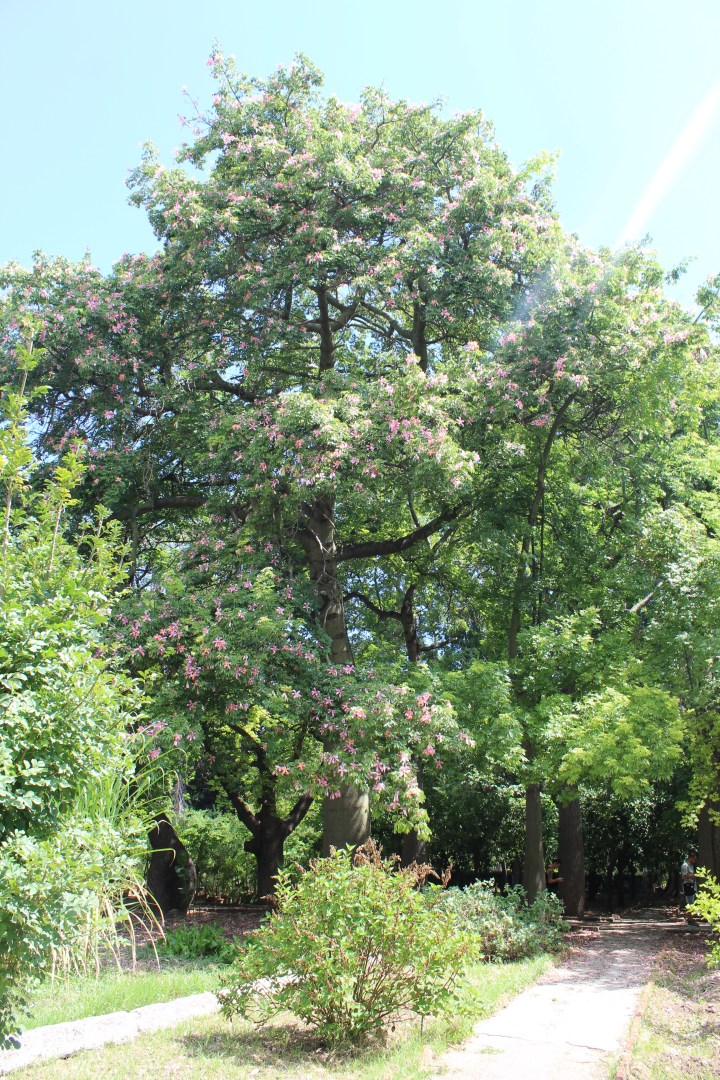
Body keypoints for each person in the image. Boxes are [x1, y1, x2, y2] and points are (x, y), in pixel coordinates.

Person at [680, 850, 699, 922]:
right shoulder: (685, 865)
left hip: (692, 885)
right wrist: (694, 875)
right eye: (694, 859)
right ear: (690, 857)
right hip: (688, 885)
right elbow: (684, 876)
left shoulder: (691, 865)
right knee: (690, 902)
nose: (695, 861)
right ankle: (690, 919)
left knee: (692, 901)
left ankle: (690, 918)